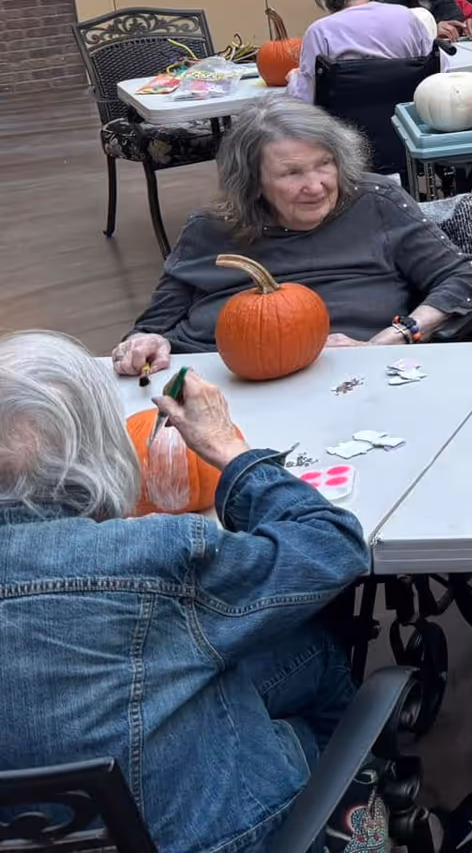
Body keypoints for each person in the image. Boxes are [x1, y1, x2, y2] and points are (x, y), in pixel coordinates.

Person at [0, 333, 368, 853]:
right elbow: (332, 547)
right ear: (95, 448)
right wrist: (227, 447)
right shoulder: (150, 556)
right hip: (214, 839)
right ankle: (365, 833)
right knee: (319, 655)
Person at [111, 99, 472, 372]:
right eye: (292, 173)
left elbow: (463, 280)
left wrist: (394, 338)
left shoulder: (375, 203)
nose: (317, 186)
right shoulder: (211, 228)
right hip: (221, 381)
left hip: (350, 377)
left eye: (325, 165)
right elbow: (152, 325)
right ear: (253, 183)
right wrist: (148, 342)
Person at [290, 0, 439, 103]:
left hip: (343, 124)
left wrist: (294, 80)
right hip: (407, 119)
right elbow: (435, 73)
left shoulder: (320, 31)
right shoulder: (407, 16)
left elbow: (305, 99)